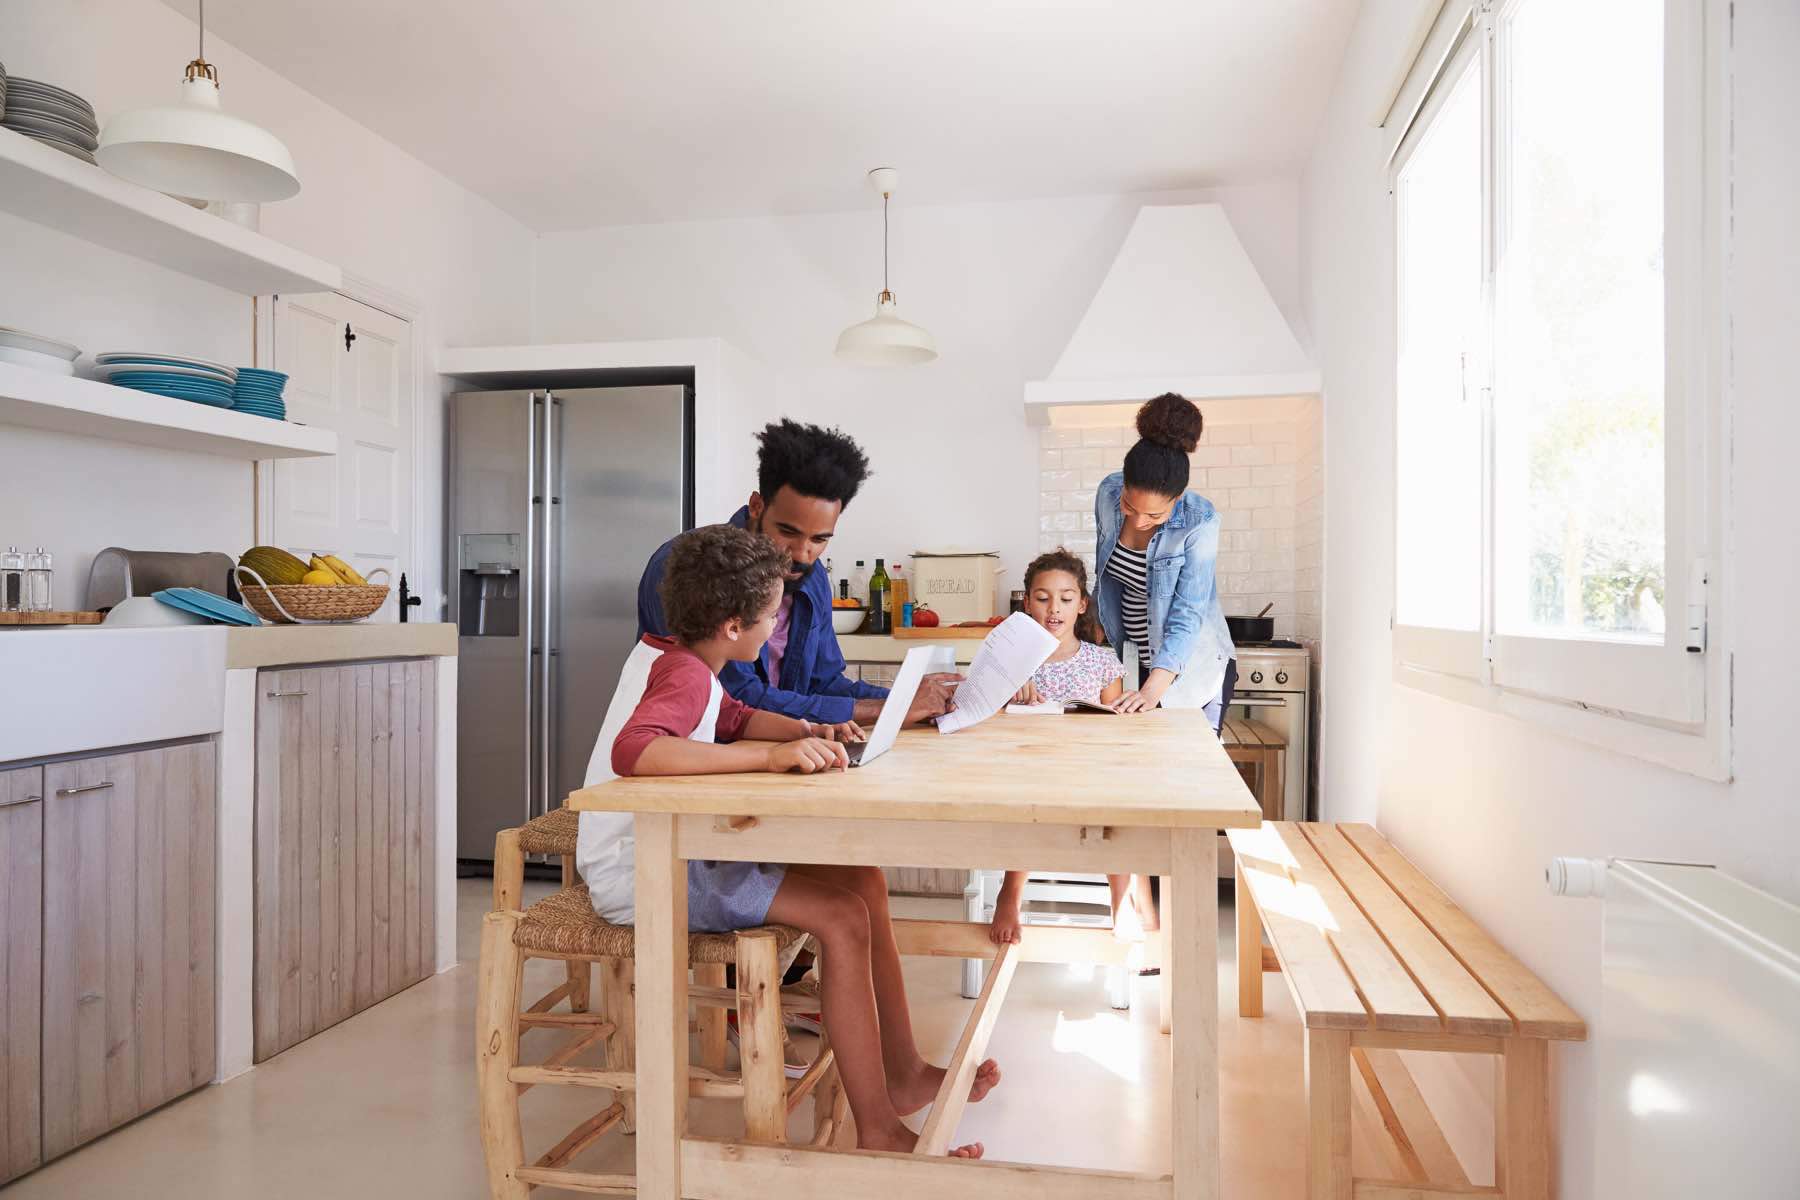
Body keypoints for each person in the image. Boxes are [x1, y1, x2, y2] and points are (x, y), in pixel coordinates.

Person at [580, 524, 997, 1158]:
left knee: (860, 879)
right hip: (647, 871)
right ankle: (879, 1128)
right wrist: (767, 760)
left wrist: (814, 727)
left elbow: (735, 717)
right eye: (771, 617)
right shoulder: (684, 676)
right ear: (731, 627)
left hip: (677, 847)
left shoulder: (685, 659)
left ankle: (905, 1072)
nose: (777, 625)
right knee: (840, 916)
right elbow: (636, 750)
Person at [637, 418, 957, 730]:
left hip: (776, 760)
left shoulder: (813, 578)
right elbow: (733, 703)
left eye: (820, 539)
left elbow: (824, 683)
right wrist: (892, 707)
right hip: (692, 766)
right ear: (757, 506)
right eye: (788, 532)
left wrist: (918, 700)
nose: (803, 554)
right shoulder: (687, 566)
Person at [990, 549, 1128, 945]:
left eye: (1066, 599)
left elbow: (1113, 727)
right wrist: (1009, 699)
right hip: (1030, 771)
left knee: (1122, 798)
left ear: (1081, 604)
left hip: (1090, 773)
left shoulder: (1102, 661)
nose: (1054, 608)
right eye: (1043, 597)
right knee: (1027, 791)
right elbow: (984, 720)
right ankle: (1010, 892)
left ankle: (1126, 901)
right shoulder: (1010, 660)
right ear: (1027, 601)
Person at [1094, 393, 1237, 726]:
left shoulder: (1200, 521)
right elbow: (1108, 575)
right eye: (1130, 507)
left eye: (1155, 514)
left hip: (1189, 668)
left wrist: (1152, 690)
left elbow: (1188, 613)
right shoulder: (1107, 493)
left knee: (1189, 769)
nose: (1140, 521)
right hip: (1133, 657)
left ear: (1177, 499)